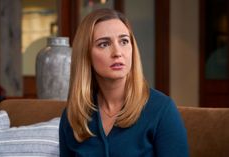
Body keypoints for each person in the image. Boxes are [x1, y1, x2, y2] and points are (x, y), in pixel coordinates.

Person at [59, 8, 189, 157]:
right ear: (86, 54)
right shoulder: (73, 116)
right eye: (104, 44)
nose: (118, 52)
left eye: (124, 41)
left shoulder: (162, 110)